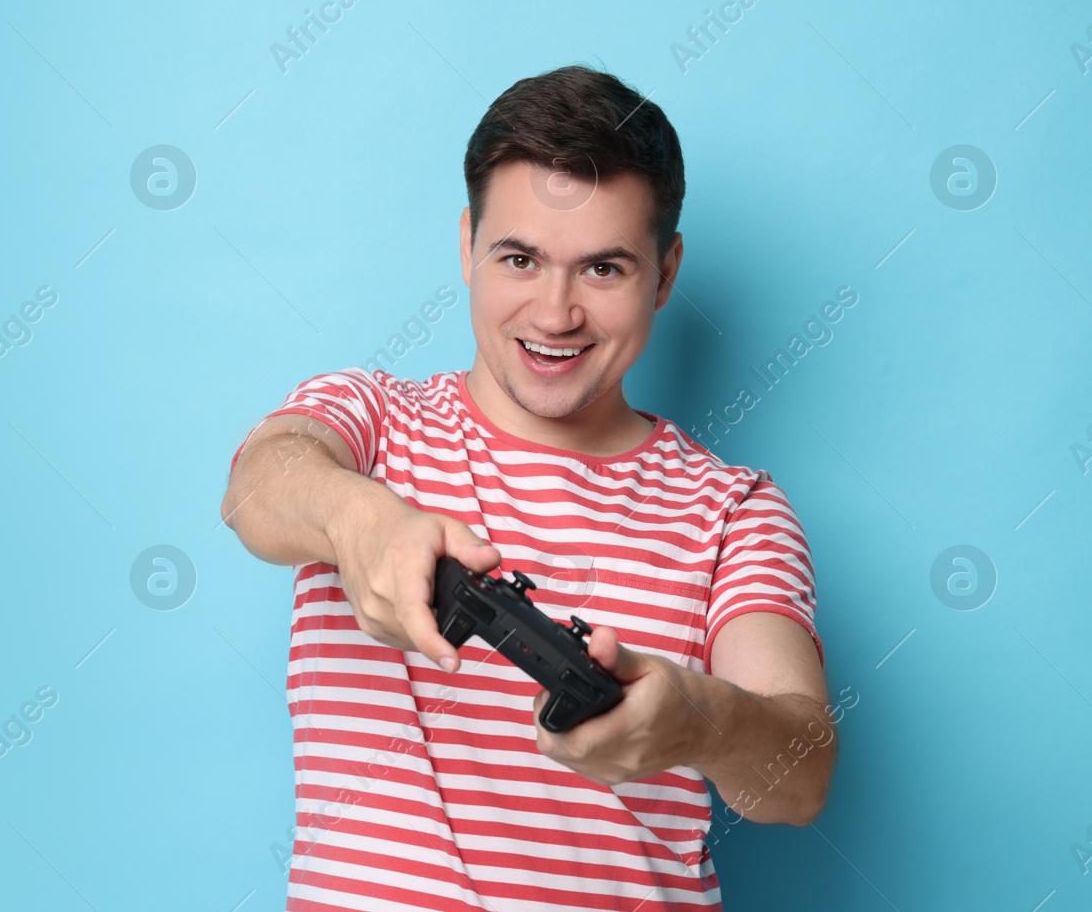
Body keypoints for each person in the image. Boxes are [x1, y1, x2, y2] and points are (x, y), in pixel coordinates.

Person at [221, 64, 836, 911]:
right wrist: (358, 516)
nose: (554, 313)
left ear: (665, 272)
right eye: (519, 257)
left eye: (604, 269)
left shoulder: (733, 509)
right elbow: (259, 485)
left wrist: (697, 718)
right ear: (468, 244)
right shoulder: (371, 424)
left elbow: (800, 778)